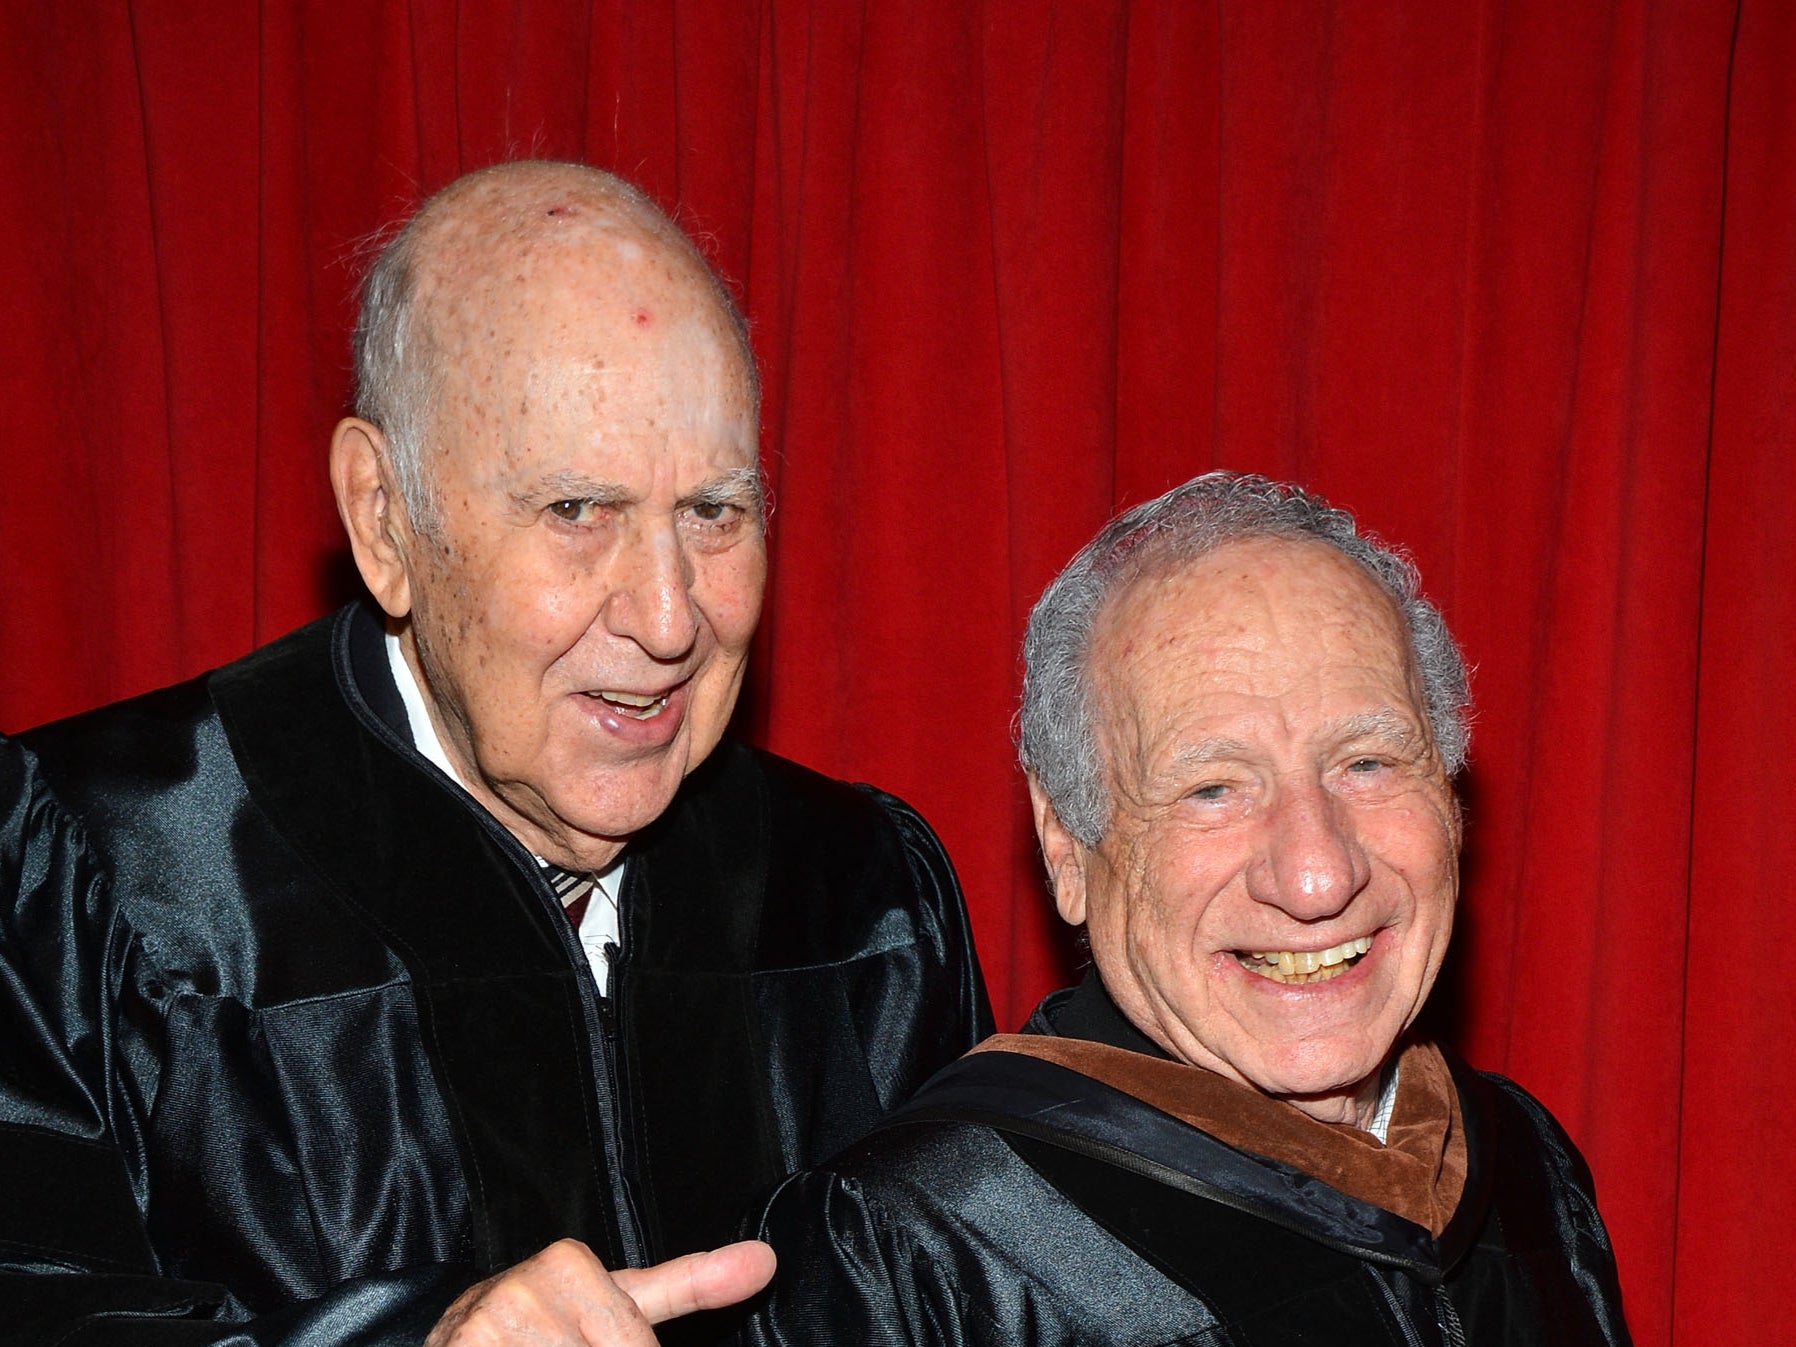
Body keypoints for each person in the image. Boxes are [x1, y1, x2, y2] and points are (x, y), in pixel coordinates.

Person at [0, 161, 990, 1346]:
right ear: (385, 519)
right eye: (578, 512)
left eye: (714, 513)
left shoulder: (863, 907)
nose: (671, 618)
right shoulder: (97, 874)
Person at [744, 472, 1631, 1345]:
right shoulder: (919, 1253)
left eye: (1368, 761)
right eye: (1212, 787)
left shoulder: (1524, 1170)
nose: (1318, 876)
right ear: (1066, 845)